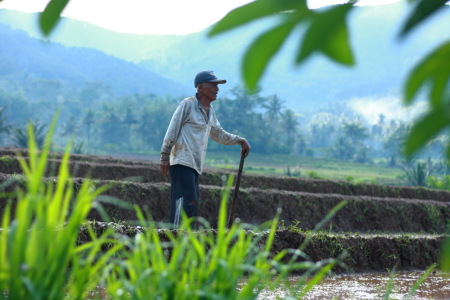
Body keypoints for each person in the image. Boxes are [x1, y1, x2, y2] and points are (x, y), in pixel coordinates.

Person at [160, 70, 251, 227]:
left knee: (192, 204)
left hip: (195, 165)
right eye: (213, 85)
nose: (217, 89)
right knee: (182, 203)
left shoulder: (210, 112)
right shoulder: (187, 105)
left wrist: (240, 141)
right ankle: (174, 239)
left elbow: (218, 134)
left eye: (217, 86)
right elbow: (172, 130)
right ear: (201, 87)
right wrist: (164, 156)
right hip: (182, 162)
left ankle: (186, 240)